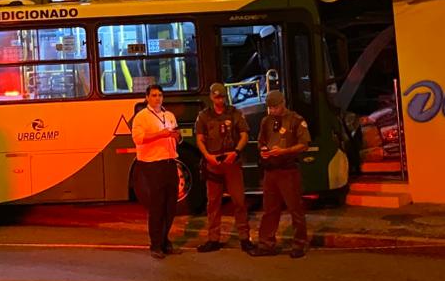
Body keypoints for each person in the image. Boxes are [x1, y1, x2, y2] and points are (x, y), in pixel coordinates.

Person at [194, 82, 252, 253]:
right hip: (213, 163)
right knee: (213, 203)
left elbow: (244, 135)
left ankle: (244, 238)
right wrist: (207, 156)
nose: (220, 100)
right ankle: (213, 238)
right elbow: (199, 139)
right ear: (211, 97)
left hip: (231, 161)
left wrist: (236, 151)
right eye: (217, 96)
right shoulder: (204, 116)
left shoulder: (234, 113)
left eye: (222, 97)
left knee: (239, 201)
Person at [252, 91, 311, 258]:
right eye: (270, 107)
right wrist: (263, 150)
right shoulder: (266, 121)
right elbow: (261, 141)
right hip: (270, 170)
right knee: (270, 209)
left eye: (275, 107)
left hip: (288, 170)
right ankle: (266, 244)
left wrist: (284, 151)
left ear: (283, 103)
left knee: (295, 208)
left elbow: (304, 144)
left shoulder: (295, 120)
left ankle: (299, 243)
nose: (272, 110)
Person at [130, 84, 181, 259]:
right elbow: (138, 139)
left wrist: (176, 136)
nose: (157, 98)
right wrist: (161, 134)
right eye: (153, 95)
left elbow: (175, 135)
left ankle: (166, 240)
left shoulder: (169, 115)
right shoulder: (141, 117)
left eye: (160, 95)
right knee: (157, 205)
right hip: (151, 164)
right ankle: (156, 245)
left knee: (171, 205)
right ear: (147, 98)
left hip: (169, 161)